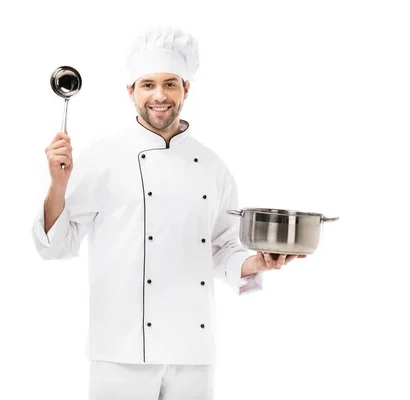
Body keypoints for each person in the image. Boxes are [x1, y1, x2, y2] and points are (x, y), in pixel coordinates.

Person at [31, 27, 306, 400]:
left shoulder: (213, 166)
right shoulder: (102, 158)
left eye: (170, 84)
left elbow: (224, 248)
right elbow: (56, 247)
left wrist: (259, 262)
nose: (159, 96)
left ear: (186, 89)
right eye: (148, 84)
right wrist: (57, 185)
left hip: (192, 351)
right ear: (131, 92)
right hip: (120, 349)